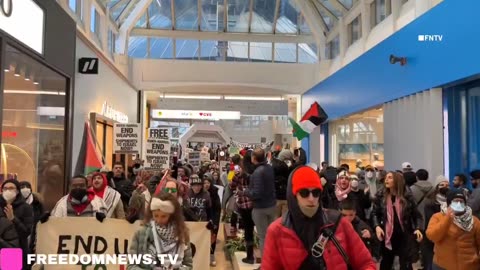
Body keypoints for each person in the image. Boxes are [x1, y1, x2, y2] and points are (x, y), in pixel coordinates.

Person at [261, 166, 376, 270]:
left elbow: (366, 263)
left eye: (316, 192)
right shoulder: (277, 231)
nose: (311, 198)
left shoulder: (339, 222)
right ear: (294, 195)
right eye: (304, 192)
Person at [127, 193, 193, 270]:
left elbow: (188, 265)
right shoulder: (140, 234)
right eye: (156, 215)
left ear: (171, 216)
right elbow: (131, 266)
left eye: (163, 216)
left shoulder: (182, 234)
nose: (159, 220)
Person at [372, 172, 423, 270]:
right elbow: (374, 213)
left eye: (390, 178)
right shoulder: (380, 196)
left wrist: (418, 228)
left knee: (405, 263)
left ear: (397, 181)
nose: (386, 180)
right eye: (386, 178)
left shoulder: (407, 197)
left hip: (404, 234)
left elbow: (417, 215)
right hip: (387, 234)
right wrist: (377, 226)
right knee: (386, 262)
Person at [426, 189, 480, 270]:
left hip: (469, 265)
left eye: (461, 201)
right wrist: (447, 219)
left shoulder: (474, 220)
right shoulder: (438, 217)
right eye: (455, 201)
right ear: (449, 203)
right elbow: (432, 236)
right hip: (443, 265)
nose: (459, 204)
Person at [241, 148, 276, 267]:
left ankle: (266, 265)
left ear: (254, 159)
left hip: (260, 208)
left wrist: (245, 192)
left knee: (263, 237)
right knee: (271, 236)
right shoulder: (269, 168)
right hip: (272, 206)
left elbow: (257, 193)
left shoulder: (257, 173)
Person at [0, 179, 34, 268]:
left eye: (11, 188)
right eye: (5, 188)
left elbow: (26, 232)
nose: (8, 191)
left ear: (18, 191)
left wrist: (13, 219)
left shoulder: (26, 208)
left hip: (13, 249)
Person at [230, 158, 255, 264]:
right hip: (251, 205)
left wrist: (240, 191)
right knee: (250, 229)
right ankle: (250, 255)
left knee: (248, 230)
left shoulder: (241, 176)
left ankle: (250, 256)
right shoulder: (253, 175)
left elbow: (232, 187)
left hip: (245, 205)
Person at [422, 176, 449, 270]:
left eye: (447, 185)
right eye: (442, 185)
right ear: (437, 186)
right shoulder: (430, 201)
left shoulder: (451, 201)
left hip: (445, 238)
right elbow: (430, 221)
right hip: (432, 237)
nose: (445, 187)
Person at [19, 181, 45, 253]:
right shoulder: (11, 205)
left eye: (27, 187)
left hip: (33, 239)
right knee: (11, 264)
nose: (25, 189)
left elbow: (42, 222)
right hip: (14, 243)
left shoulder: (38, 203)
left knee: (29, 261)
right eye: (22, 187)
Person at [203, 174, 221, 266]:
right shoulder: (199, 193)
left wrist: (215, 222)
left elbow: (217, 209)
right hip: (201, 220)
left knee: (212, 238)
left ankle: (211, 256)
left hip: (213, 218)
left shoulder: (214, 192)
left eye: (208, 182)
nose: (206, 184)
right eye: (204, 183)